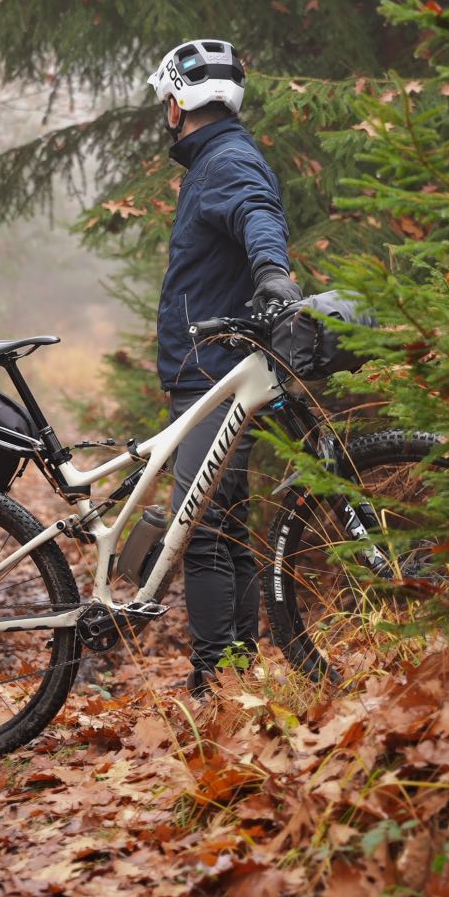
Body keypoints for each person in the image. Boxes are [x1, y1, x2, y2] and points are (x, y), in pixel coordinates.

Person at [148, 38, 302, 699]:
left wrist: (273, 273)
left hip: (212, 374)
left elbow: (257, 214)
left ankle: (216, 684)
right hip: (211, 372)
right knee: (229, 532)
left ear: (180, 103)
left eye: (166, 102)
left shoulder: (226, 161)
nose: (165, 113)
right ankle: (235, 674)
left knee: (203, 532)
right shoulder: (216, 158)